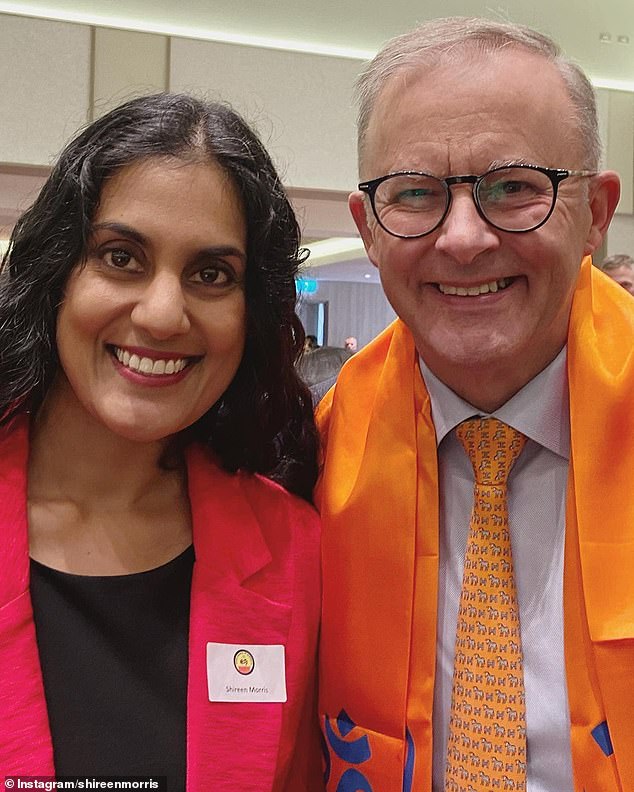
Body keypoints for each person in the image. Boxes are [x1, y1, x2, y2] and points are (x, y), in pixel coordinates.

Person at [316, 17, 633, 792]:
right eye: (416, 194)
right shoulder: (309, 462)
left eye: (515, 188)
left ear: (594, 214)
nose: (462, 239)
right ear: (367, 229)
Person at [0, 93, 324, 791]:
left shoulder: (295, 551)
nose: (163, 313)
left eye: (212, 275)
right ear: (57, 274)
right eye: (121, 257)